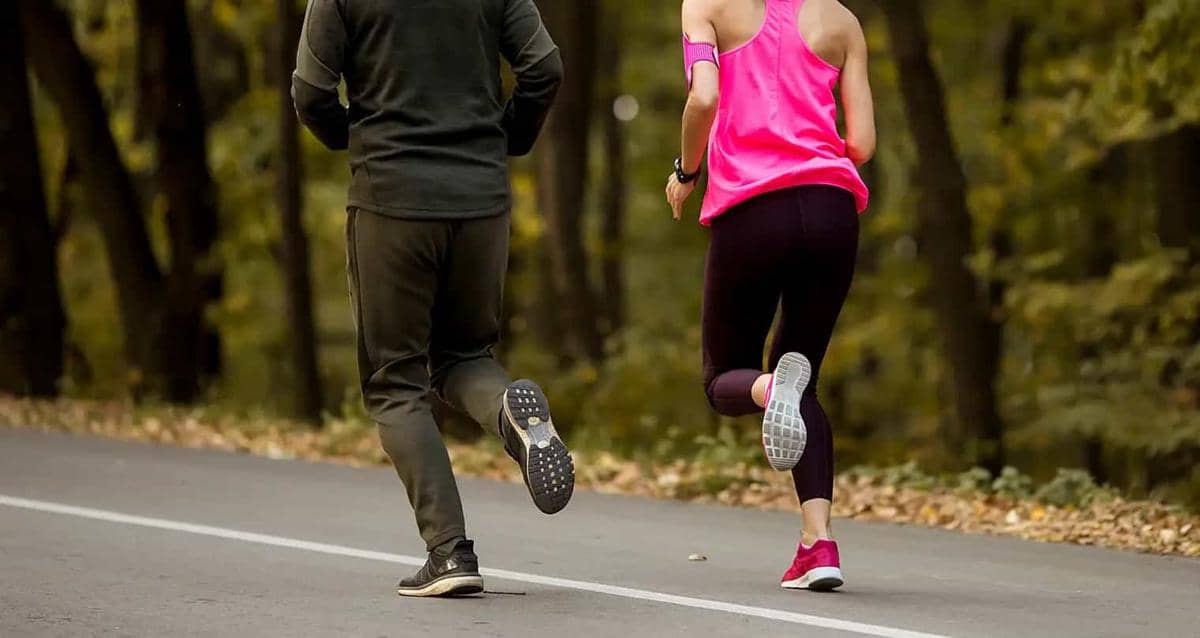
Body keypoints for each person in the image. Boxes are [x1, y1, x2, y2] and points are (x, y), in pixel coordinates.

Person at [293, 0, 574, 598]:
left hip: (391, 196)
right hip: (481, 198)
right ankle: (508, 414)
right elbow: (544, 69)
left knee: (396, 383)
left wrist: (359, 138)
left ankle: (449, 553)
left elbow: (311, 91)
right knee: (464, 355)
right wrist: (508, 138)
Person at [666, 0, 874, 591]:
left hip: (753, 210)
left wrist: (686, 172)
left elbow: (703, 98)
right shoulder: (842, 21)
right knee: (803, 373)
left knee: (723, 379)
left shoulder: (707, 6)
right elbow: (861, 141)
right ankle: (819, 545)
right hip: (833, 210)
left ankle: (765, 388)